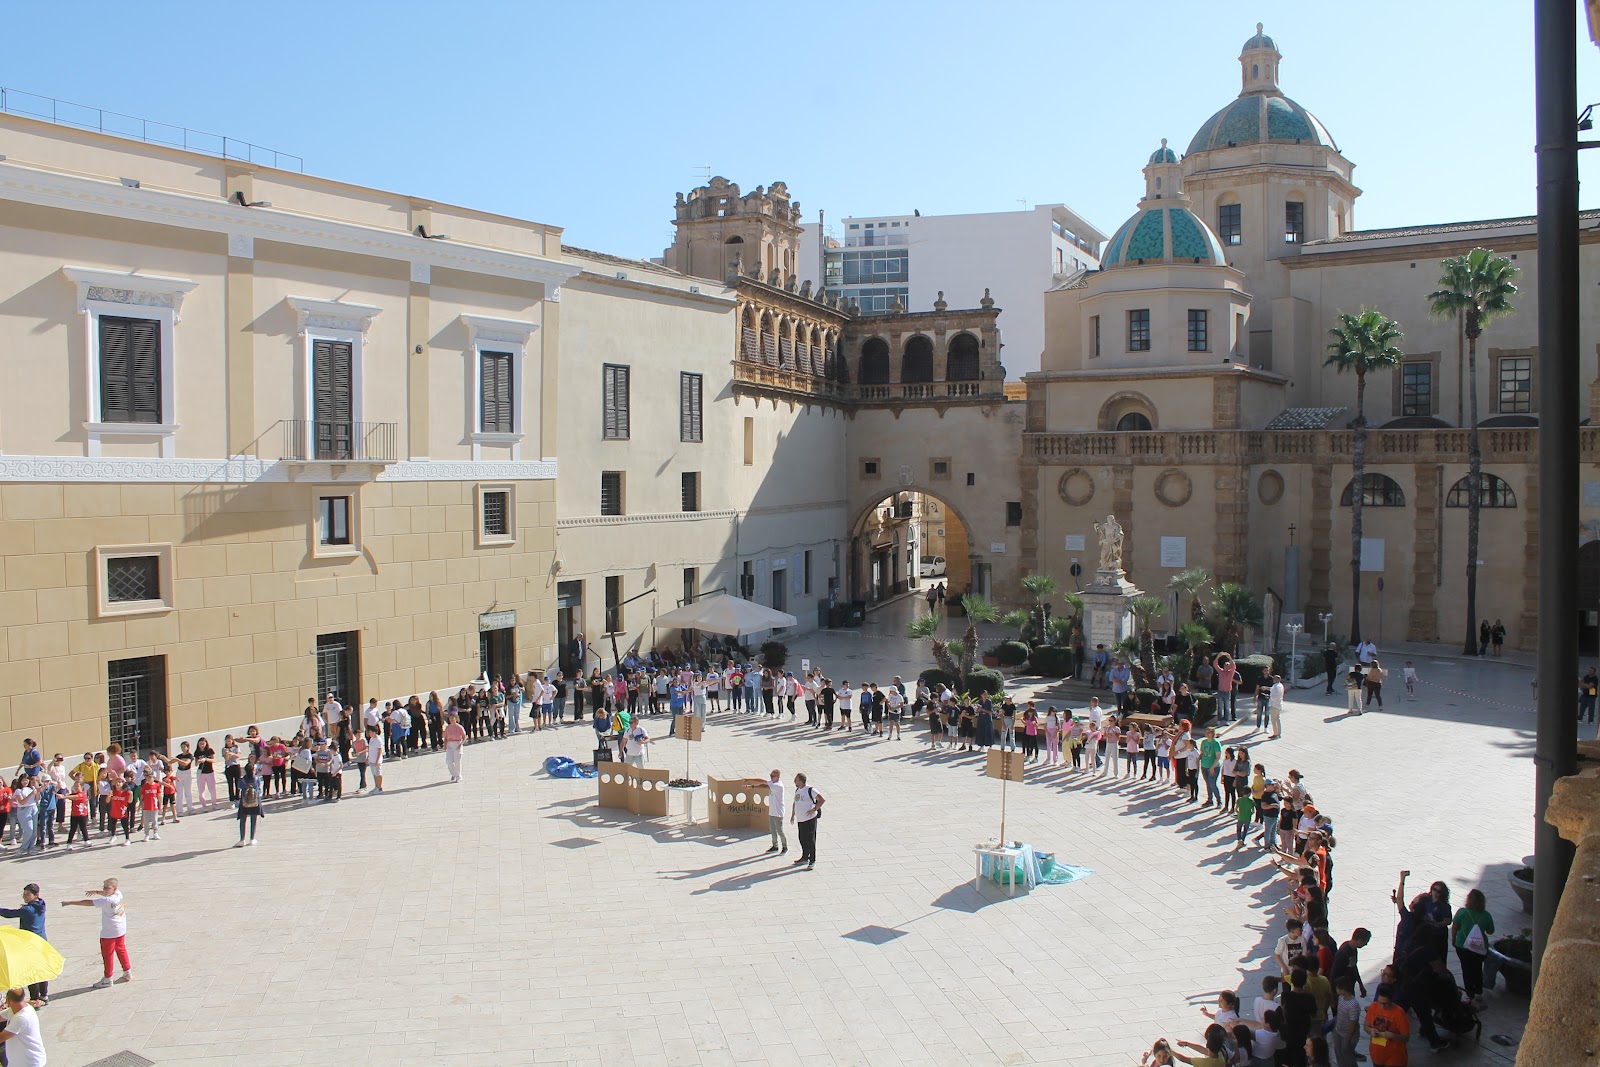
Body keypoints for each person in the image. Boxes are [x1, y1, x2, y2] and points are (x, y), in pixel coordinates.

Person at [63, 878, 130, 988]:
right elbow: (106, 893)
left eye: (107, 888)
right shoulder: (119, 894)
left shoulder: (107, 901)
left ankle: (108, 978)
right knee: (121, 949)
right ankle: (127, 972)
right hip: (121, 928)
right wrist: (97, 892)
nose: (105, 890)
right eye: (103, 887)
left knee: (107, 955)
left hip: (109, 932)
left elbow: (87, 903)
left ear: (114, 888)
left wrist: (69, 902)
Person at [0, 886, 48, 1006]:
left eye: (27, 894)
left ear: (35, 895)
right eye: (24, 894)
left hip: (30, 943)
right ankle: (44, 995)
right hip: (42, 941)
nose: (24, 896)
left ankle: (34, 998)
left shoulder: (27, 910)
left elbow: (9, 914)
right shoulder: (41, 904)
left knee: (31, 972)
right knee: (41, 970)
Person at [1450, 888, 1494, 1006]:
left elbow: (1454, 927)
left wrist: (1453, 939)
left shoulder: (1462, 912)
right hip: (1479, 948)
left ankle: (1469, 993)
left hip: (1462, 946)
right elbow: (1490, 931)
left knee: (1466, 969)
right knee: (1477, 969)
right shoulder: (1486, 915)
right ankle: (1478, 993)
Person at [1362, 983, 1410, 1066]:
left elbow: (1406, 1037)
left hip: (1394, 1055)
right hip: (1377, 1053)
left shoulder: (1399, 1013)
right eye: (1380, 1003)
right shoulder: (1373, 1007)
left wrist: (1393, 1035)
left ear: (1391, 1000)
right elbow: (1366, 1026)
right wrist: (1371, 1031)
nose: (1382, 1006)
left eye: (1385, 1004)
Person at [0, 986, 46, 1067]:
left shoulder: (22, 1018)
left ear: (8, 1001)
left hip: (29, 1063)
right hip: (19, 1061)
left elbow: (1, 1037)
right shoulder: (16, 1008)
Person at [791, 772, 823, 871]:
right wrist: (793, 814)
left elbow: (821, 799)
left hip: (809, 820)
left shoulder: (810, 790)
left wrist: (814, 809)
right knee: (802, 838)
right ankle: (805, 857)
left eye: (796, 780)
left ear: (800, 781)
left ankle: (812, 860)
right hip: (800, 820)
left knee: (811, 840)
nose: (794, 781)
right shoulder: (798, 790)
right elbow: (795, 802)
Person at [763, 769, 787, 856]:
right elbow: (763, 781)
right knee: (772, 830)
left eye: (773, 776)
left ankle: (785, 847)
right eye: (770, 775)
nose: (771, 777)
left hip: (778, 812)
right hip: (772, 812)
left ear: (777, 777)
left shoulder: (778, 786)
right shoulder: (772, 783)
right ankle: (775, 846)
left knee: (779, 830)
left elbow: (764, 785)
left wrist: (753, 787)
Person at [235, 772, 262, 846]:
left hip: (244, 801)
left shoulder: (242, 780)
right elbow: (259, 788)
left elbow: (239, 787)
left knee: (243, 820)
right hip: (255, 801)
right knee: (254, 819)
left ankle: (242, 839)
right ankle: (252, 838)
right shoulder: (257, 779)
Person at [1214, 653, 1238, 722]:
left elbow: (1234, 665)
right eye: (1225, 665)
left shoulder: (1231, 673)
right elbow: (1215, 664)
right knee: (1220, 707)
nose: (1226, 666)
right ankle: (1219, 720)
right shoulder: (1220, 671)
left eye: (1227, 665)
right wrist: (1218, 657)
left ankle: (1227, 720)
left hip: (1227, 692)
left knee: (1227, 707)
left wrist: (1229, 658)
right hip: (1220, 691)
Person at [443, 711, 466, 783]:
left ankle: (459, 776)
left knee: (457, 762)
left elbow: (464, 736)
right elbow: (446, 738)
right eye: (450, 719)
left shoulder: (459, 727)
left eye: (453, 718)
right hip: (450, 744)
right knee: (449, 762)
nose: (452, 720)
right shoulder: (447, 728)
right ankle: (454, 774)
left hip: (457, 743)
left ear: (456, 719)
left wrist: (461, 744)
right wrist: (445, 745)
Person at [1268, 675, 1286, 739]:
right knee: (1278, 719)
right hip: (1279, 705)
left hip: (1274, 705)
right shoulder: (1280, 685)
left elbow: (1275, 697)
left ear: (1278, 679)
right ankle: (1279, 733)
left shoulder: (1276, 686)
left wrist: (1269, 697)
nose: (1273, 679)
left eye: (1274, 678)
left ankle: (1275, 734)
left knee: (1273, 720)